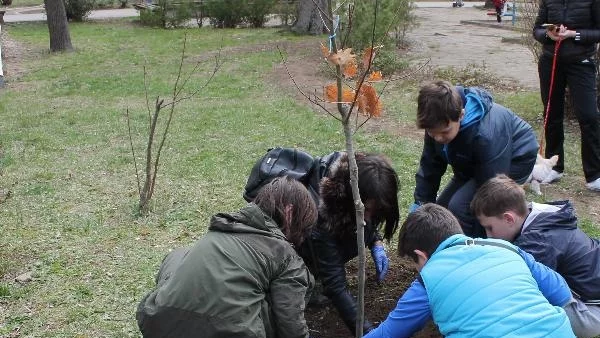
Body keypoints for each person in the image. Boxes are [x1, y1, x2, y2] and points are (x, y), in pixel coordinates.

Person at [136, 176, 318, 338]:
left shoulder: (225, 229)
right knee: (291, 289)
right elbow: (291, 325)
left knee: (180, 254)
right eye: (303, 226)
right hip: (230, 332)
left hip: (158, 323)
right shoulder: (285, 255)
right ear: (289, 212)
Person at [244, 150, 400, 335]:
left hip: (326, 222)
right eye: (366, 210)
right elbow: (336, 285)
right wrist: (367, 331)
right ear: (351, 199)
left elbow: (368, 216)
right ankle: (306, 279)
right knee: (308, 258)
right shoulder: (322, 216)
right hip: (287, 235)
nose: (368, 217)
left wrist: (376, 242)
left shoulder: (358, 175)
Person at [364, 203, 575, 338]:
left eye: (416, 265)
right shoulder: (505, 248)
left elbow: (389, 333)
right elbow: (561, 293)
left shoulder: (427, 281)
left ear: (421, 255)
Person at [471, 174, 600, 338]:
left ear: (509, 218)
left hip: (589, 311)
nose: (488, 236)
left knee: (515, 311)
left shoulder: (538, 244)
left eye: (490, 228)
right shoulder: (540, 216)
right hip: (589, 290)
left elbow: (511, 289)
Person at [410, 80, 538, 237]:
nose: (437, 138)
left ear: (461, 115)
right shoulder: (437, 120)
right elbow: (431, 165)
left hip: (515, 157)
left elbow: (492, 186)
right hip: (475, 161)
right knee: (442, 208)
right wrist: (421, 203)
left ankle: (474, 249)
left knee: (462, 208)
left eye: (444, 132)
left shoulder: (485, 135)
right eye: (432, 132)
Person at [532, 5, 600, 191]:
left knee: (589, 117)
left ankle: (594, 174)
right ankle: (554, 167)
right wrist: (548, 35)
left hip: (581, 62)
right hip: (550, 60)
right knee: (551, 113)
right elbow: (537, 29)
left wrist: (573, 34)